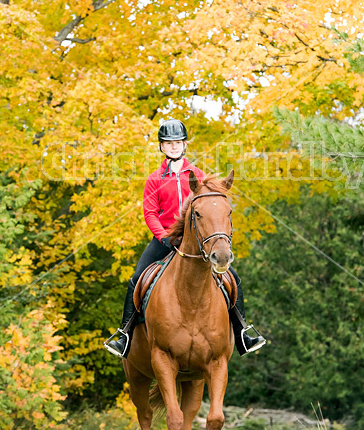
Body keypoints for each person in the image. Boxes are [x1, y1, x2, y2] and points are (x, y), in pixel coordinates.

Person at [105, 119, 266, 358]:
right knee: (137, 278)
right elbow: (150, 212)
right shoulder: (154, 179)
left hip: (198, 242)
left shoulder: (200, 176)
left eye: (178, 142)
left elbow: (212, 208)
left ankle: (242, 333)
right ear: (161, 147)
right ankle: (124, 336)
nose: (174, 147)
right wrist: (164, 238)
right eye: (169, 143)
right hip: (166, 241)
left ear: (185, 144)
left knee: (233, 279)